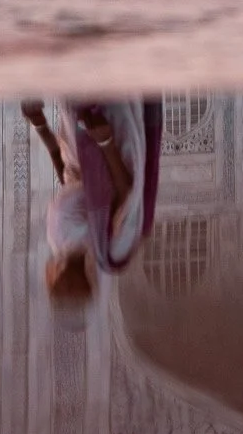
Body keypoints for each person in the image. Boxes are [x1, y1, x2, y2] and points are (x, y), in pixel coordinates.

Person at [22, 99, 162, 302]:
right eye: (73, 290)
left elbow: (69, 181)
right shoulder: (105, 249)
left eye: (62, 289)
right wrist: (106, 142)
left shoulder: (59, 243)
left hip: (78, 144)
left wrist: (40, 126)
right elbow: (126, 194)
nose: (68, 286)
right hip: (105, 140)